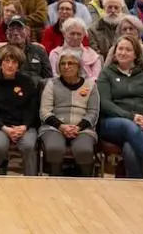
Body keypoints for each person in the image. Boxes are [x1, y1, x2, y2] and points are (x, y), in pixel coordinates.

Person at [97, 36, 143, 179]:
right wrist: (132, 117)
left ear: (136, 54)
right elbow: (105, 103)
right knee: (128, 124)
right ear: (114, 52)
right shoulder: (106, 73)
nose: (123, 53)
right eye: (120, 49)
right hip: (114, 123)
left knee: (131, 150)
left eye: (128, 50)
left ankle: (136, 189)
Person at [0, 44, 42, 175]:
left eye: (14, 62)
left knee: (29, 146)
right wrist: (4, 128)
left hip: (23, 126)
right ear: (0, 64)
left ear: (18, 66)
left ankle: (32, 182)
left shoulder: (27, 82)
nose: (10, 65)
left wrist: (24, 126)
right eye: (7, 61)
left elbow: (32, 108)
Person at [39, 49, 101, 177]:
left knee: (84, 150)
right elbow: (44, 111)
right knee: (54, 148)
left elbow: (93, 112)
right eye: (62, 63)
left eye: (71, 63)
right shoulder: (51, 84)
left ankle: (85, 181)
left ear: (79, 66)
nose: (66, 67)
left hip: (83, 129)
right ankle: (55, 178)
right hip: (54, 127)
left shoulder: (90, 85)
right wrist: (62, 127)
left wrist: (78, 127)